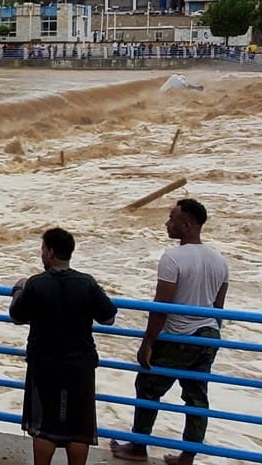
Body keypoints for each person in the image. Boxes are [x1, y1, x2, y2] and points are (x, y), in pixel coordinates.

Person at [111, 199, 229, 465]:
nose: (167, 223)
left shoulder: (173, 258)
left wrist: (147, 343)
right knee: (197, 398)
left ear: (186, 225)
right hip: (209, 335)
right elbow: (218, 308)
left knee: (148, 387)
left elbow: (161, 307)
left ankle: (139, 448)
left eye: (172, 218)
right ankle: (187, 457)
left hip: (180, 336)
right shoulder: (219, 260)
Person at [9, 228, 117, 465]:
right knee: (79, 426)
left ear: (50, 252)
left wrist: (19, 289)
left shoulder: (36, 284)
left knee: (44, 425)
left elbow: (16, 316)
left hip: (44, 364)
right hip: (80, 365)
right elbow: (108, 317)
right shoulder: (86, 283)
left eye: (42, 250)